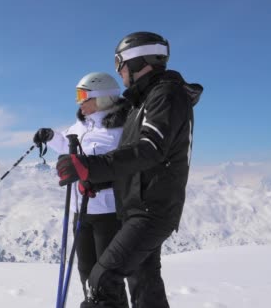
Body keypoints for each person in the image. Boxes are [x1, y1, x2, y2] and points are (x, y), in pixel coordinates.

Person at [55, 32, 204, 308]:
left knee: (101, 280)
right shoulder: (143, 102)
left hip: (151, 210)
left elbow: (150, 150)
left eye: (120, 63)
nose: (119, 71)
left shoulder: (166, 95)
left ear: (137, 62)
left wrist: (89, 167)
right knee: (144, 286)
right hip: (138, 207)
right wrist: (95, 181)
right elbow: (132, 161)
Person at [33, 72, 131, 307]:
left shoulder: (122, 129)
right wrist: (51, 136)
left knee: (106, 277)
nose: (79, 101)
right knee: (86, 272)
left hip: (109, 212)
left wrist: (95, 176)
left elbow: (127, 165)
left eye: (83, 95)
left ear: (103, 97)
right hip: (82, 209)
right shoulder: (80, 125)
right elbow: (70, 148)